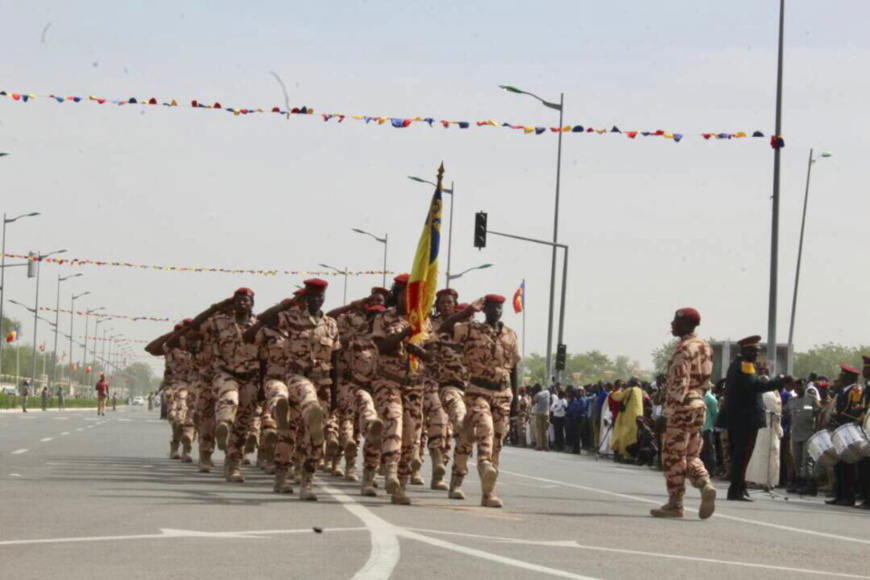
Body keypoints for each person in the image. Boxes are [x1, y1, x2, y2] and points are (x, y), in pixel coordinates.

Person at [442, 294, 520, 508]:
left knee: (490, 442)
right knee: (485, 427)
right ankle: (483, 465)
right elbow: (445, 328)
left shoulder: (510, 335)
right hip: (478, 391)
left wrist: (516, 400)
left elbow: (513, 368)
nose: (496, 311)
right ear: (485, 310)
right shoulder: (471, 329)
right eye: (492, 307)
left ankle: (488, 493)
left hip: (503, 394)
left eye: (499, 308)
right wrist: (467, 311)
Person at [650, 307, 716, 520]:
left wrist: (666, 414)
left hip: (681, 407)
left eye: (675, 322)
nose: (671, 325)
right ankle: (705, 484)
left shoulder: (683, 349)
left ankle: (675, 503)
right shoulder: (705, 347)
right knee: (692, 455)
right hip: (699, 406)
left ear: (686, 324)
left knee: (673, 457)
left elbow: (680, 383)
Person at [721, 336, 782, 501]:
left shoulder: (738, 364)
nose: (756, 354)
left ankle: (739, 487)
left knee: (739, 455)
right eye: (753, 350)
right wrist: (779, 382)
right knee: (742, 455)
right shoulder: (745, 365)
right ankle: (736, 490)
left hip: (738, 419)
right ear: (744, 350)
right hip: (745, 420)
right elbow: (756, 386)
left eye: (757, 351)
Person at [826, 364, 864, 506]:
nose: (840, 378)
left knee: (847, 465)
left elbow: (853, 411)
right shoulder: (843, 392)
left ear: (849, 378)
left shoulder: (855, 391)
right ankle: (840, 495)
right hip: (839, 430)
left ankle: (848, 497)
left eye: (842, 376)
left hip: (847, 431)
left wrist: (839, 418)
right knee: (839, 464)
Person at [746, 378, 790, 490]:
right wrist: (778, 428)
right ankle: (764, 480)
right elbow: (775, 413)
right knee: (766, 455)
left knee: (765, 455)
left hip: (765, 428)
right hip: (769, 428)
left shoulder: (766, 393)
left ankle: (763, 480)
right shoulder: (769, 394)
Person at [787, 380, 819, 495]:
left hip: (808, 433)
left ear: (804, 387)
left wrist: (817, 429)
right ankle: (799, 483)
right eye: (796, 386)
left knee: (807, 460)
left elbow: (818, 414)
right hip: (795, 434)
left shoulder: (811, 399)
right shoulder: (791, 401)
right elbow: (787, 415)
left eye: (800, 385)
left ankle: (809, 484)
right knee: (797, 460)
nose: (798, 388)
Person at [611, 378, 643, 462]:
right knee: (634, 436)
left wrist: (620, 389)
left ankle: (626, 456)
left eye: (628, 382)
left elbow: (616, 397)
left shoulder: (629, 390)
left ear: (632, 383)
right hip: (638, 417)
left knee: (625, 436)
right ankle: (633, 456)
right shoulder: (640, 391)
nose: (627, 383)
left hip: (629, 417)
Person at [701, 386, 719, 475]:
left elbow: (715, 413)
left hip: (707, 428)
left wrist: (714, 424)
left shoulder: (710, 399)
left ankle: (710, 470)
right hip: (699, 428)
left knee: (708, 450)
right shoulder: (699, 396)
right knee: (699, 450)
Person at [532, 384, 550, 451]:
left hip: (539, 413)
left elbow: (533, 402)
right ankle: (546, 446)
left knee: (539, 430)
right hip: (546, 413)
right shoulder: (547, 392)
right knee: (545, 430)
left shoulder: (537, 395)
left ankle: (539, 446)